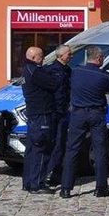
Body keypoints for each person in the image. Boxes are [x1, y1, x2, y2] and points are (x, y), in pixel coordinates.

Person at [60, 48, 109, 198]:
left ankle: (66, 188)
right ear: (98, 58)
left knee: (72, 150)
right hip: (96, 113)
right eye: (102, 58)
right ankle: (101, 188)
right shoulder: (103, 76)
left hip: (78, 114)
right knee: (100, 150)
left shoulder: (76, 72)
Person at [20, 46, 60, 193]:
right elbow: (54, 84)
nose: (43, 59)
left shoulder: (26, 69)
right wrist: (56, 74)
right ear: (33, 58)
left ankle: (28, 182)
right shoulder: (35, 71)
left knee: (31, 150)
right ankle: (37, 184)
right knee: (41, 149)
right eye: (41, 57)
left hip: (34, 114)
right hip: (42, 114)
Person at [41, 46, 73, 188]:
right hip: (54, 112)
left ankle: (57, 173)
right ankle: (49, 173)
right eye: (69, 53)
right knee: (55, 143)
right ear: (61, 55)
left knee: (61, 143)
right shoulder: (50, 69)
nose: (71, 55)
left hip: (64, 112)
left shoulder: (68, 70)